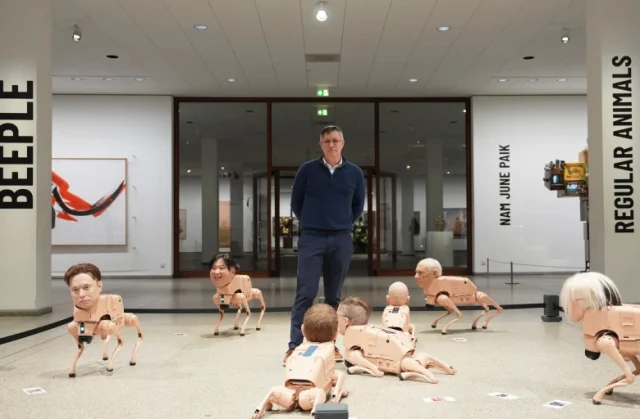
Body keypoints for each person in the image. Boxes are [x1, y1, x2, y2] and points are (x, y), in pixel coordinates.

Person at [284, 125, 365, 365]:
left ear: (343, 143)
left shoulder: (354, 173)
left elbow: (357, 205)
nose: (331, 144)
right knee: (305, 293)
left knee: (333, 295)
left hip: (341, 238)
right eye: (327, 141)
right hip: (312, 237)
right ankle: (294, 345)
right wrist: (312, 223)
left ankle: (330, 344)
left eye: (335, 140)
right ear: (321, 144)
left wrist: (342, 224)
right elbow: (296, 202)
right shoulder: (307, 170)